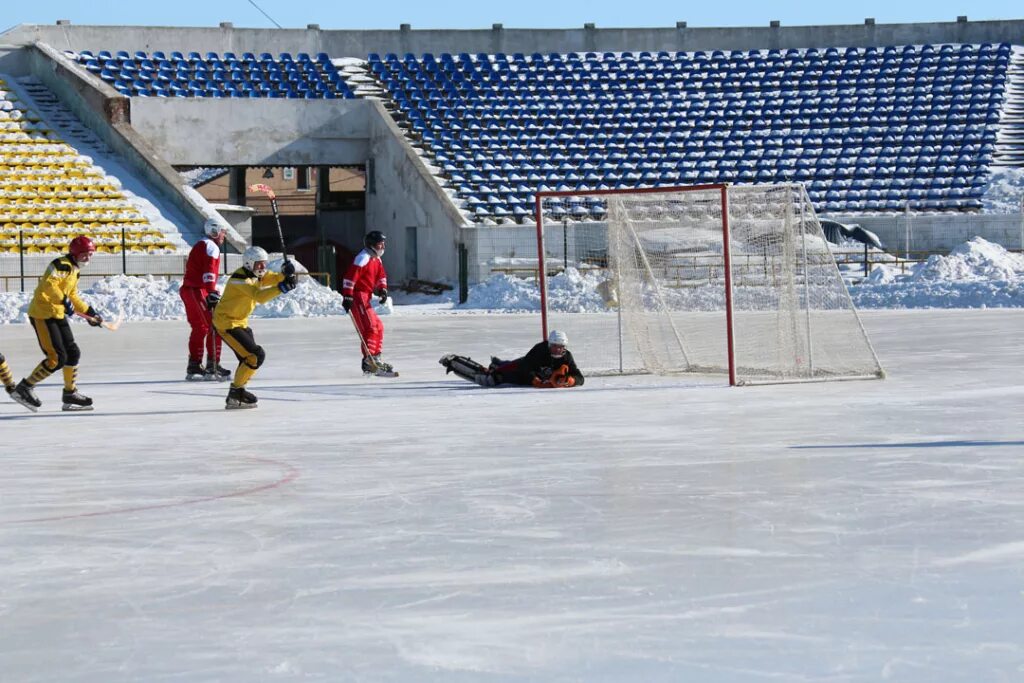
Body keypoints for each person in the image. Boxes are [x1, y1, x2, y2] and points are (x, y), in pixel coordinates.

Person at [12, 236, 104, 411]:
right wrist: (63, 300)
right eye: (85, 254)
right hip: (43, 314)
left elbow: (73, 295)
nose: (88, 258)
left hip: (57, 313)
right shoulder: (61, 265)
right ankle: (24, 387)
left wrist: (90, 313)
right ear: (76, 253)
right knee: (56, 359)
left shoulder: (74, 269)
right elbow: (49, 285)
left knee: (73, 353)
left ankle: (70, 394)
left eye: (91, 254)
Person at [212, 246, 297, 409]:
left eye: (264, 264)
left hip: (240, 322)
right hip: (226, 324)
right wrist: (282, 287)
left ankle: (238, 391)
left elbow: (272, 278)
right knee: (254, 356)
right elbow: (259, 296)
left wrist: (287, 274)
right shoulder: (240, 279)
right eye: (260, 265)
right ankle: (236, 393)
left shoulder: (255, 275)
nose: (263, 268)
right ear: (249, 264)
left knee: (249, 358)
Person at [440, 330, 584, 388]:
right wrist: (535, 380)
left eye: (561, 347)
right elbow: (526, 367)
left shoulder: (567, 357)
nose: (558, 349)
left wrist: (570, 380)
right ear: (549, 345)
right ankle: (454, 362)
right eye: (555, 346)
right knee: (493, 378)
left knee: (497, 373)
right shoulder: (540, 349)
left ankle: (497, 365)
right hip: (522, 370)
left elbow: (580, 377)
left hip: (531, 376)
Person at [180, 218, 230, 381]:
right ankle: (213, 365)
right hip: (198, 290)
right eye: (222, 231)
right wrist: (211, 292)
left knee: (200, 328)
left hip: (189, 290)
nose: (224, 235)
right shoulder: (211, 246)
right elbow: (209, 272)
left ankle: (194, 365)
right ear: (214, 231)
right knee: (215, 326)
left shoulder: (202, 244)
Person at [341, 230, 394, 376]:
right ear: (371, 245)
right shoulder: (362, 258)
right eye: (380, 244)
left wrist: (382, 290)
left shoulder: (376, 259)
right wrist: (347, 296)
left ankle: (376, 357)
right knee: (370, 328)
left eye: (383, 243)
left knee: (379, 327)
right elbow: (349, 278)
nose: (383, 246)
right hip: (358, 297)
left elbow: (381, 275)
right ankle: (369, 361)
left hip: (367, 296)